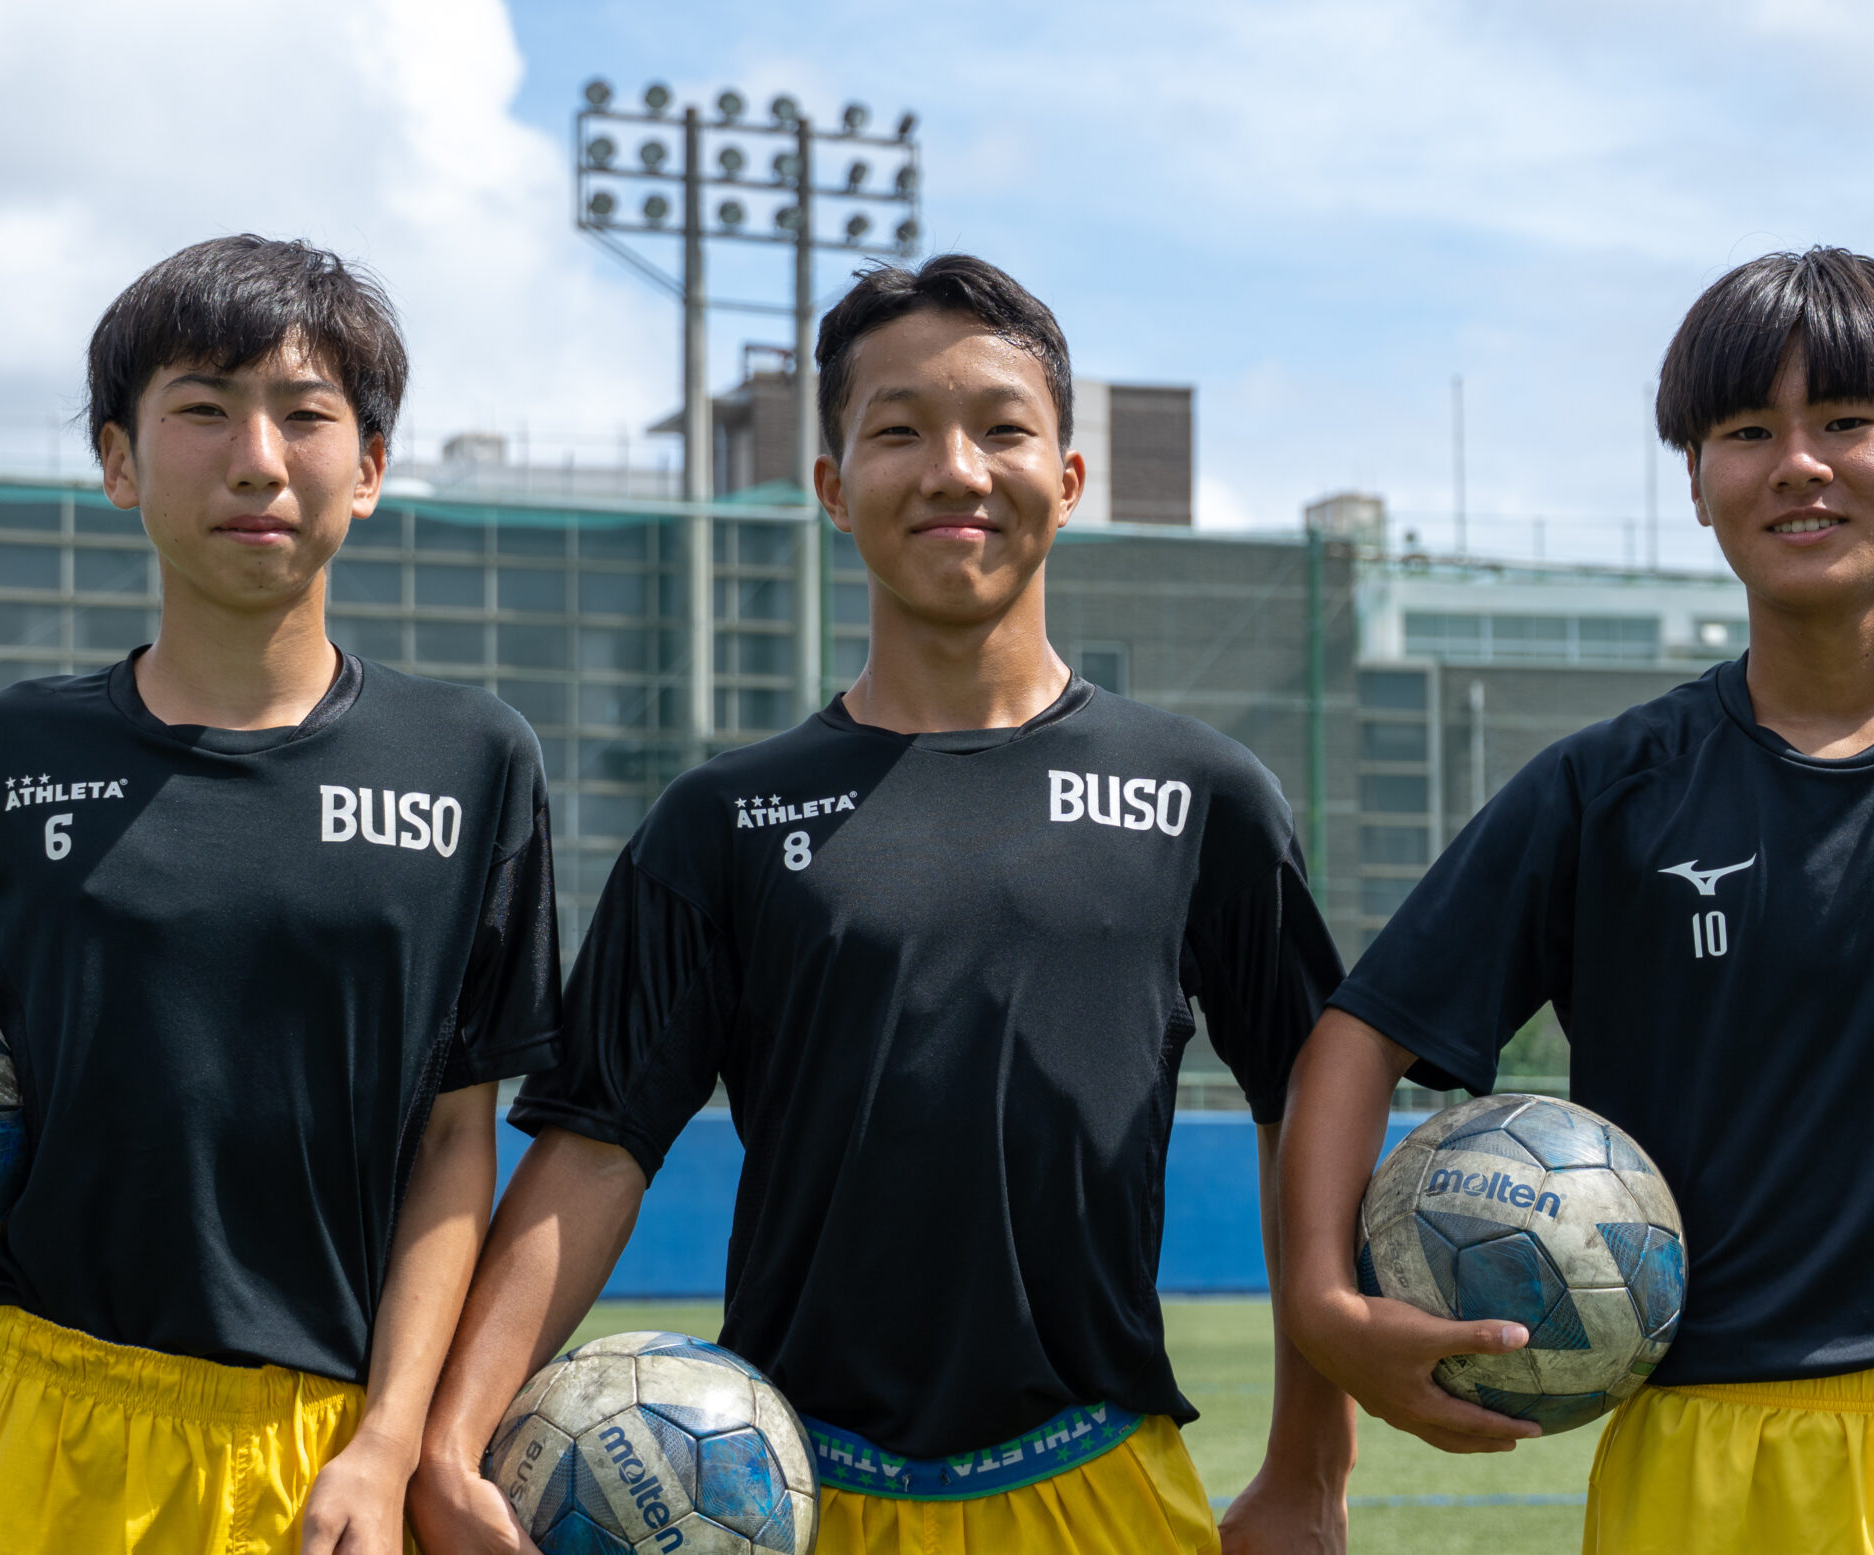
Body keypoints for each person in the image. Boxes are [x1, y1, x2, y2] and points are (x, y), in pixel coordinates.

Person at [406, 253, 1356, 1554]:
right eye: (900, 431)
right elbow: (595, 1148)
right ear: (833, 489)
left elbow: (1309, 1113)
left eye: (1003, 429)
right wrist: (448, 1444)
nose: (956, 470)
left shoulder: (1204, 797)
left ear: (1070, 479)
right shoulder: (721, 821)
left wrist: (1309, 1469)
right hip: (794, 1500)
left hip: (1100, 1491)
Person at [1277, 246, 1874, 1555]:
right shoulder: (1607, 791)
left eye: (1846, 421)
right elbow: (1356, 1035)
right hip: (1699, 1455)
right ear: (1698, 481)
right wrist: (1324, 1303)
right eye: (1747, 433)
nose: (1797, 465)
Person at [0, 234, 563, 1555]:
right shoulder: (5, 758)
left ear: (369, 468)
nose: (258, 458)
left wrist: (393, 1442)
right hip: (33, 1422)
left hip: (322, 1463)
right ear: (119, 461)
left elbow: (453, 1140)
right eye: (203, 410)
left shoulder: (471, 763)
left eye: (307, 416)